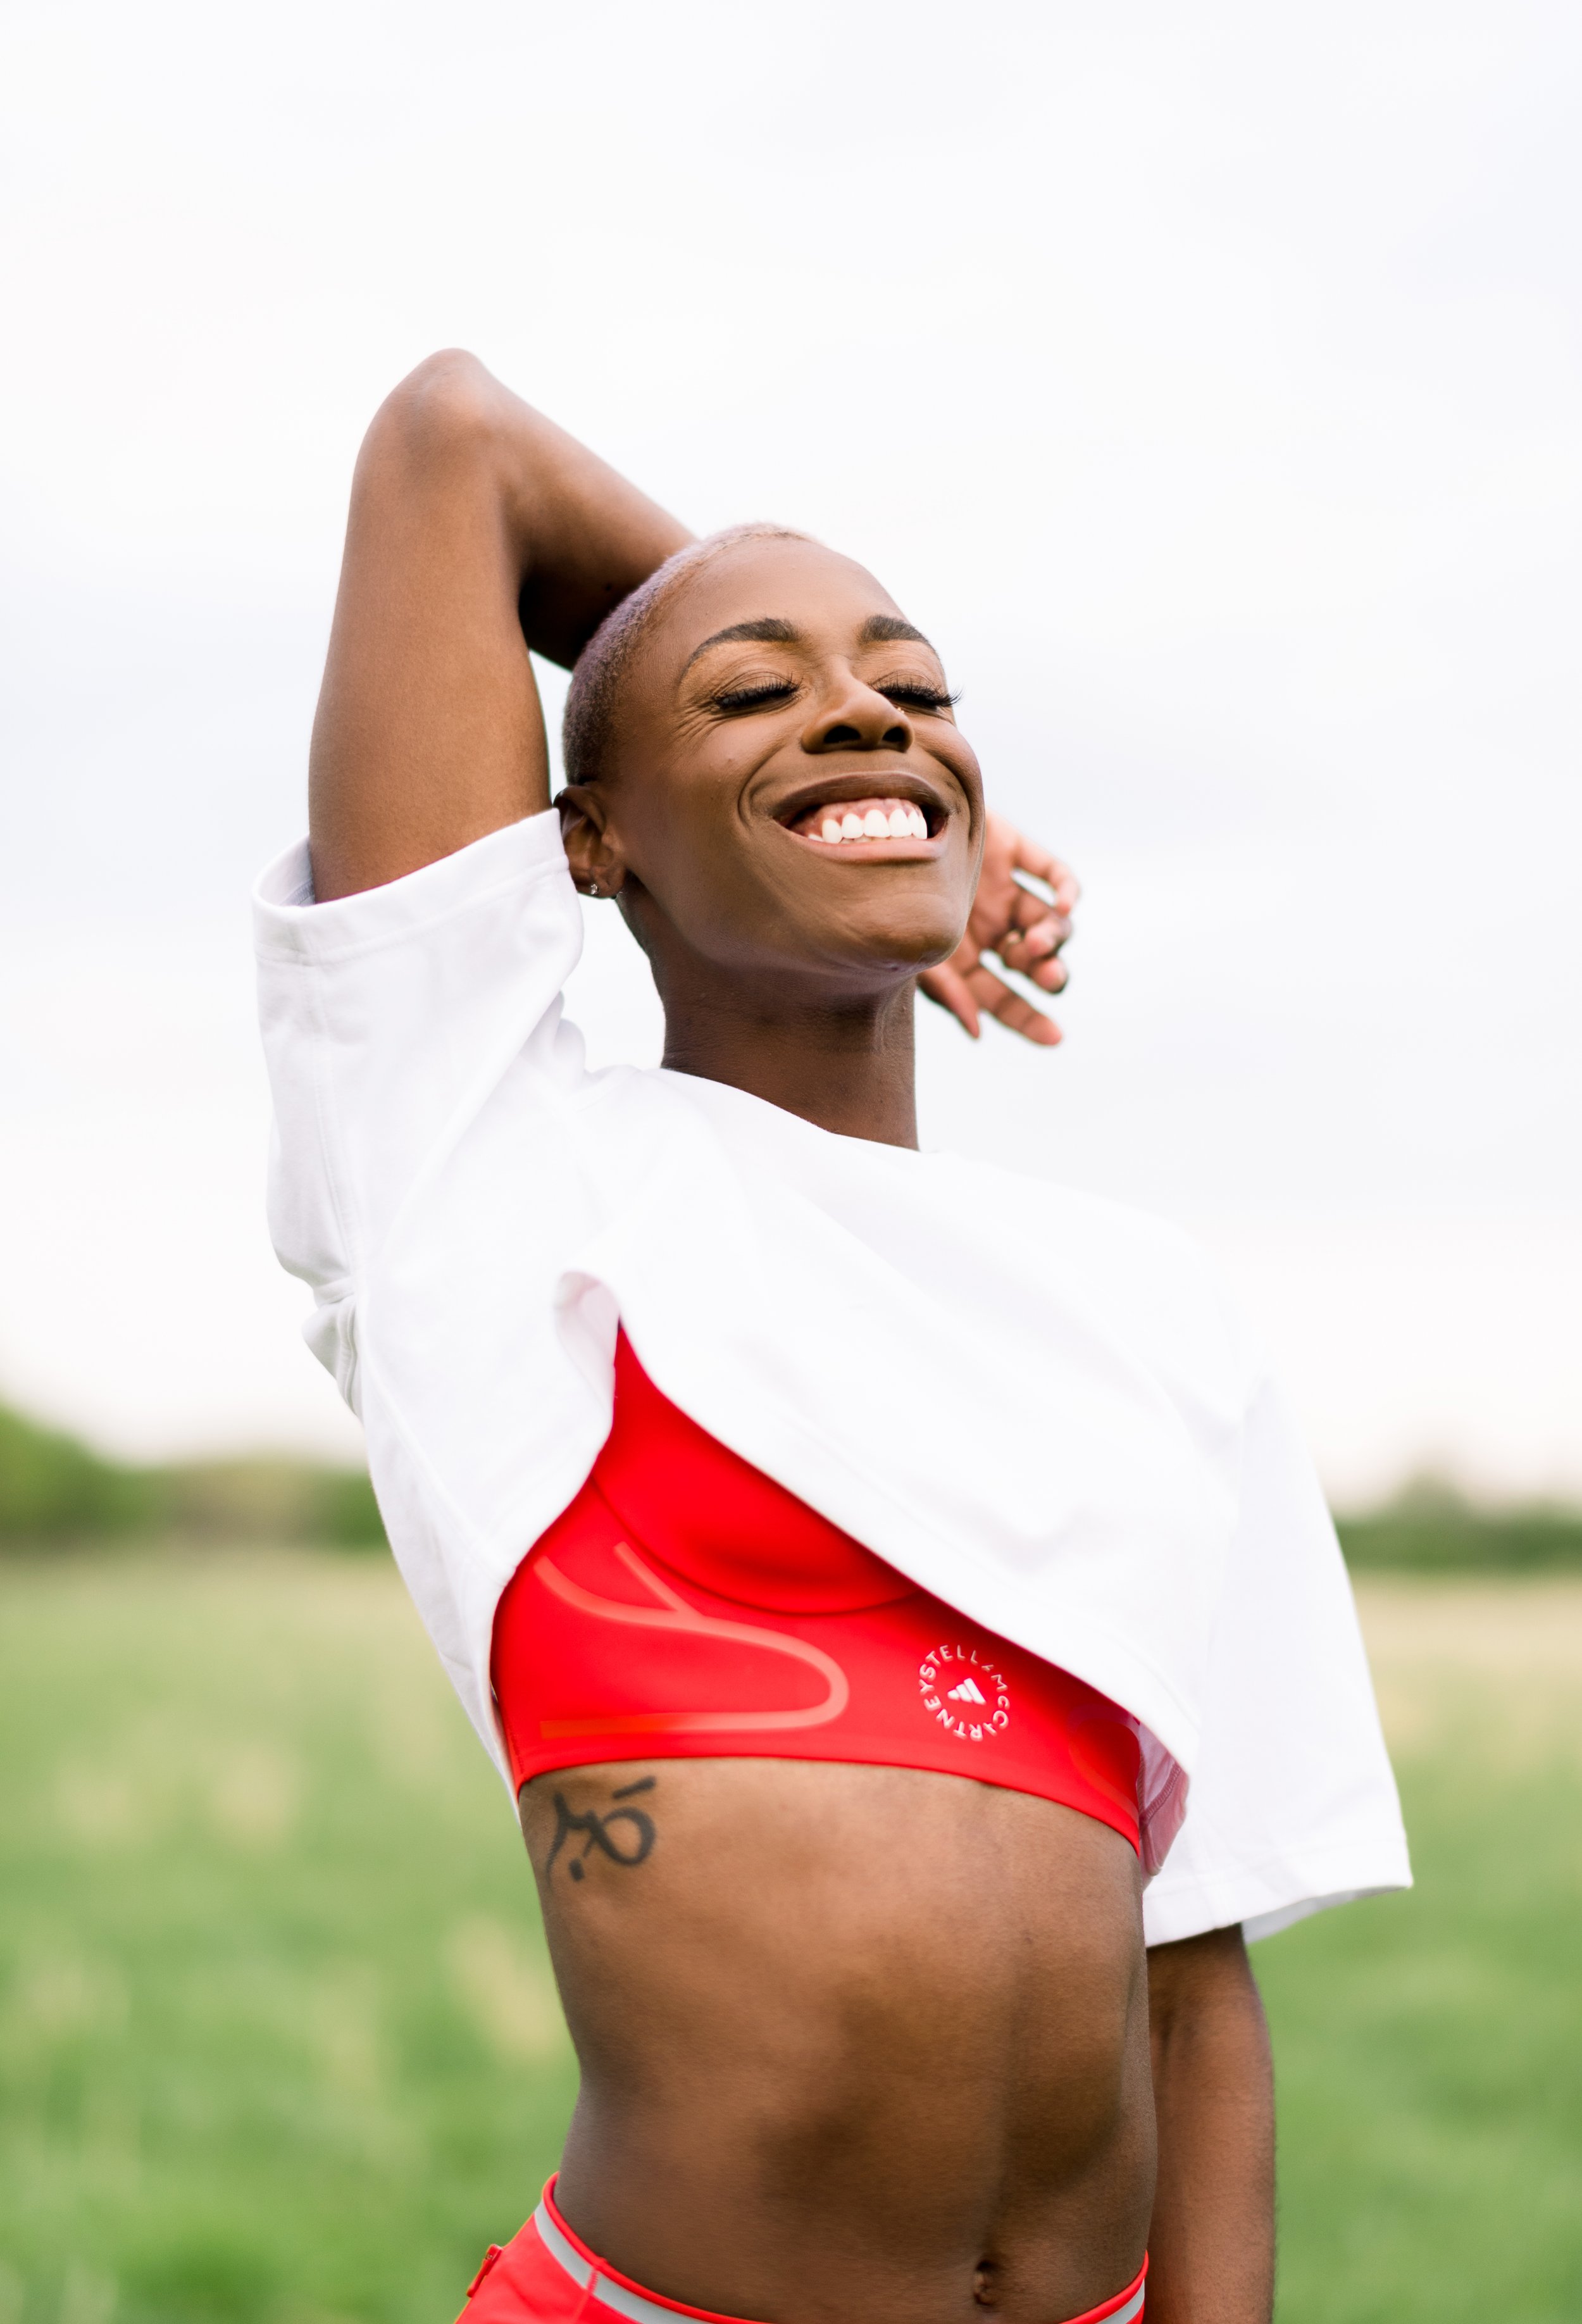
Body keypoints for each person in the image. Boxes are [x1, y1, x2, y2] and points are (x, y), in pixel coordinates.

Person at [254, 353, 1409, 2324]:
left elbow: (1197, 1989)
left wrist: (844, 765)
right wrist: (838, 748)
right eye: (751, 690)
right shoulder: (488, 1189)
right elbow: (457, 440)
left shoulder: (1145, 1313)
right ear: (586, 843)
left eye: (920, 688)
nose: (865, 704)